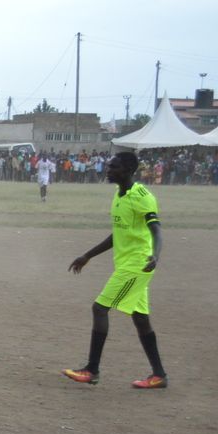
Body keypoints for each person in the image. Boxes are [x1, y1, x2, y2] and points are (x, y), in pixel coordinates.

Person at [62, 152, 166, 389]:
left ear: (129, 170)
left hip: (138, 264)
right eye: (109, 166)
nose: (108, 170)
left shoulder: (142, 197)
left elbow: (157, 230)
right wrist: (87, 255)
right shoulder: (119, 196)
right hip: (126, 264)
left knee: (100, 308)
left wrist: (156, 255)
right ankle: (159, 375)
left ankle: (91, 370)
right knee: (141, 319)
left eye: (114, 167)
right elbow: (117, 234)